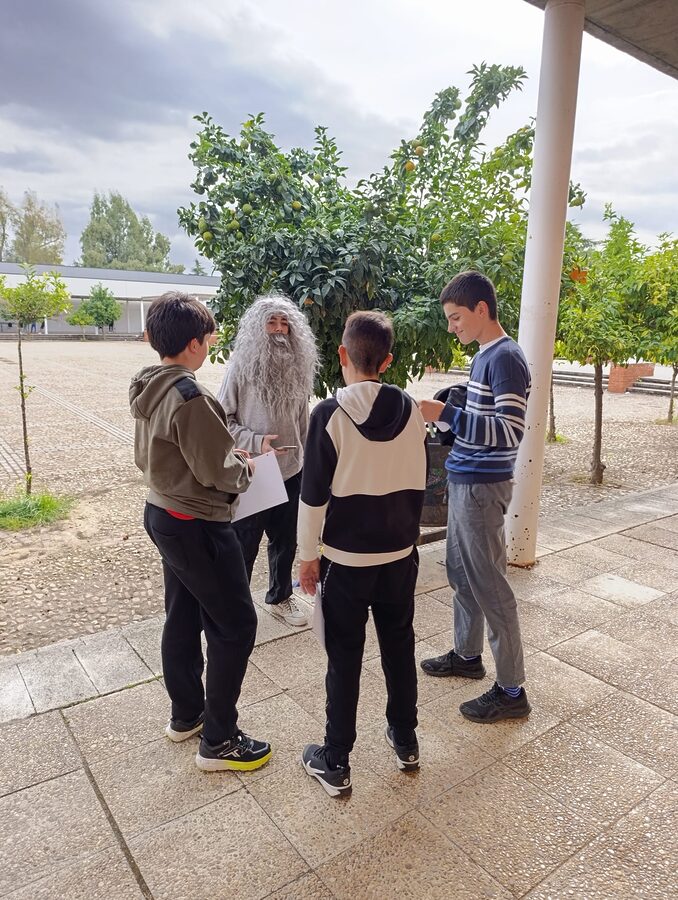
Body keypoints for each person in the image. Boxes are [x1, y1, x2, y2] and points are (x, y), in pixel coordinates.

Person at [130, 291, 271, 772]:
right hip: (196, 522)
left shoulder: (150, 386)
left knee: (184, 614)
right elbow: (219, 471)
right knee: (236, 624)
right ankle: (220, 739)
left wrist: (227, 458)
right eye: (209, 339)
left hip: (163, 511)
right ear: (194, 344)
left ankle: (187, 713)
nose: (210, 346)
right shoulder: (190, 396)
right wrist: (245, 467)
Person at [297, 311, 428, 797]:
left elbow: (313, 498)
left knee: (344, 658)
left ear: (342, 354)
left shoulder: (328, 415)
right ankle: (406, 740)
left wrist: (307, 556)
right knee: (399, 647)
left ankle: (335, 759)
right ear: (387, 361)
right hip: (399, 557)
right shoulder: (411, 409)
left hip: (347, 563)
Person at [418, 271, 532, 723]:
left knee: (489, 585)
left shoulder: (505, 357)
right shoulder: (487, 354)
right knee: (462, 573)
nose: (452, 327)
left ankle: (511, 690)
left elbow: (510, 431)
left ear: (481, 309)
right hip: (467, 480)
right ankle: (467, 656)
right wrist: (454, 415)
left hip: (483, 487)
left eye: (456, 318)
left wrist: (447, 413)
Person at [217, 295, 319, 628]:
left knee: (286, 540)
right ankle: (235, 606)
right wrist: (256, 442)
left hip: (292, 469)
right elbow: (222, 419)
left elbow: (302, 420)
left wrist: (307, 457)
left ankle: (280, 597)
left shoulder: (298, 366)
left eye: (284, 323)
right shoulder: (240, 367)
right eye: (271, 322)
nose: (278, 329)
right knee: (244, 543)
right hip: (254, 470)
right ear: (257, 328)